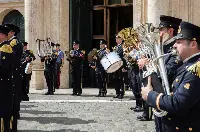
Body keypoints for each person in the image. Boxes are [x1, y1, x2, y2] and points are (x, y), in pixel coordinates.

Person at [142, 21, 200, 132]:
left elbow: (178, 103)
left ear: (193, 44)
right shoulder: (186, 65)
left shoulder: (196, 68)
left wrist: (150, 96)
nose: (174, 45)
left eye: (179, 42)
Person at [137, 16, 182, 123]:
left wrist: (150, 64)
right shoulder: (163, 47)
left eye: (161, 30)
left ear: (170, 31)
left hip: (168, 98)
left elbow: (168, 72)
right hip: (158, 97)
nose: (159, 34)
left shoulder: (174, 49)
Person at [5, 23, 23, 131]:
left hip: (13, 74)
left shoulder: (15, 43)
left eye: (7, 31)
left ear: (12, 32)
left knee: (14, 98)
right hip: (11, 74)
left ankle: (14, 120)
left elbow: (12, 60)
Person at [0, 25, 14, 132]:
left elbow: (3, 68)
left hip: (4, 84)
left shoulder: (6, 48)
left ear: (1, 35)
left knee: (3, 109)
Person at [113, 35, 126, 99]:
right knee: (115, 79)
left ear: (121, 39)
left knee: (121, 79)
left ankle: (121, 93)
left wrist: (124, 67)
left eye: (118, 38)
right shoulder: (116, 47)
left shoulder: (123, 46)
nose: (116, 39)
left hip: (120, 65)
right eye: (116, 38)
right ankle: (117, 92)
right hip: (115, 66)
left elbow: (121, 56)